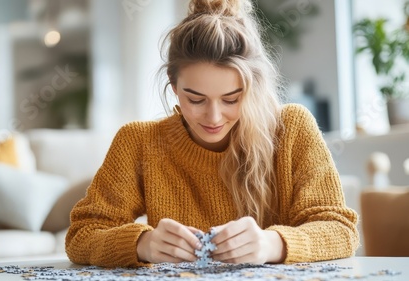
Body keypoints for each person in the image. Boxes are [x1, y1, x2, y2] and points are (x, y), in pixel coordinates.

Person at [65, 0, 359, 268]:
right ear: (174, 85)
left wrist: (272, 244)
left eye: (231, 99)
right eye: (196, 99)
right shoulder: (139, 142)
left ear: (253, 87)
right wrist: (142, 243)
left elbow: (340, 229)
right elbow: (82, 235)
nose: (214, 117)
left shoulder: (292, 128)